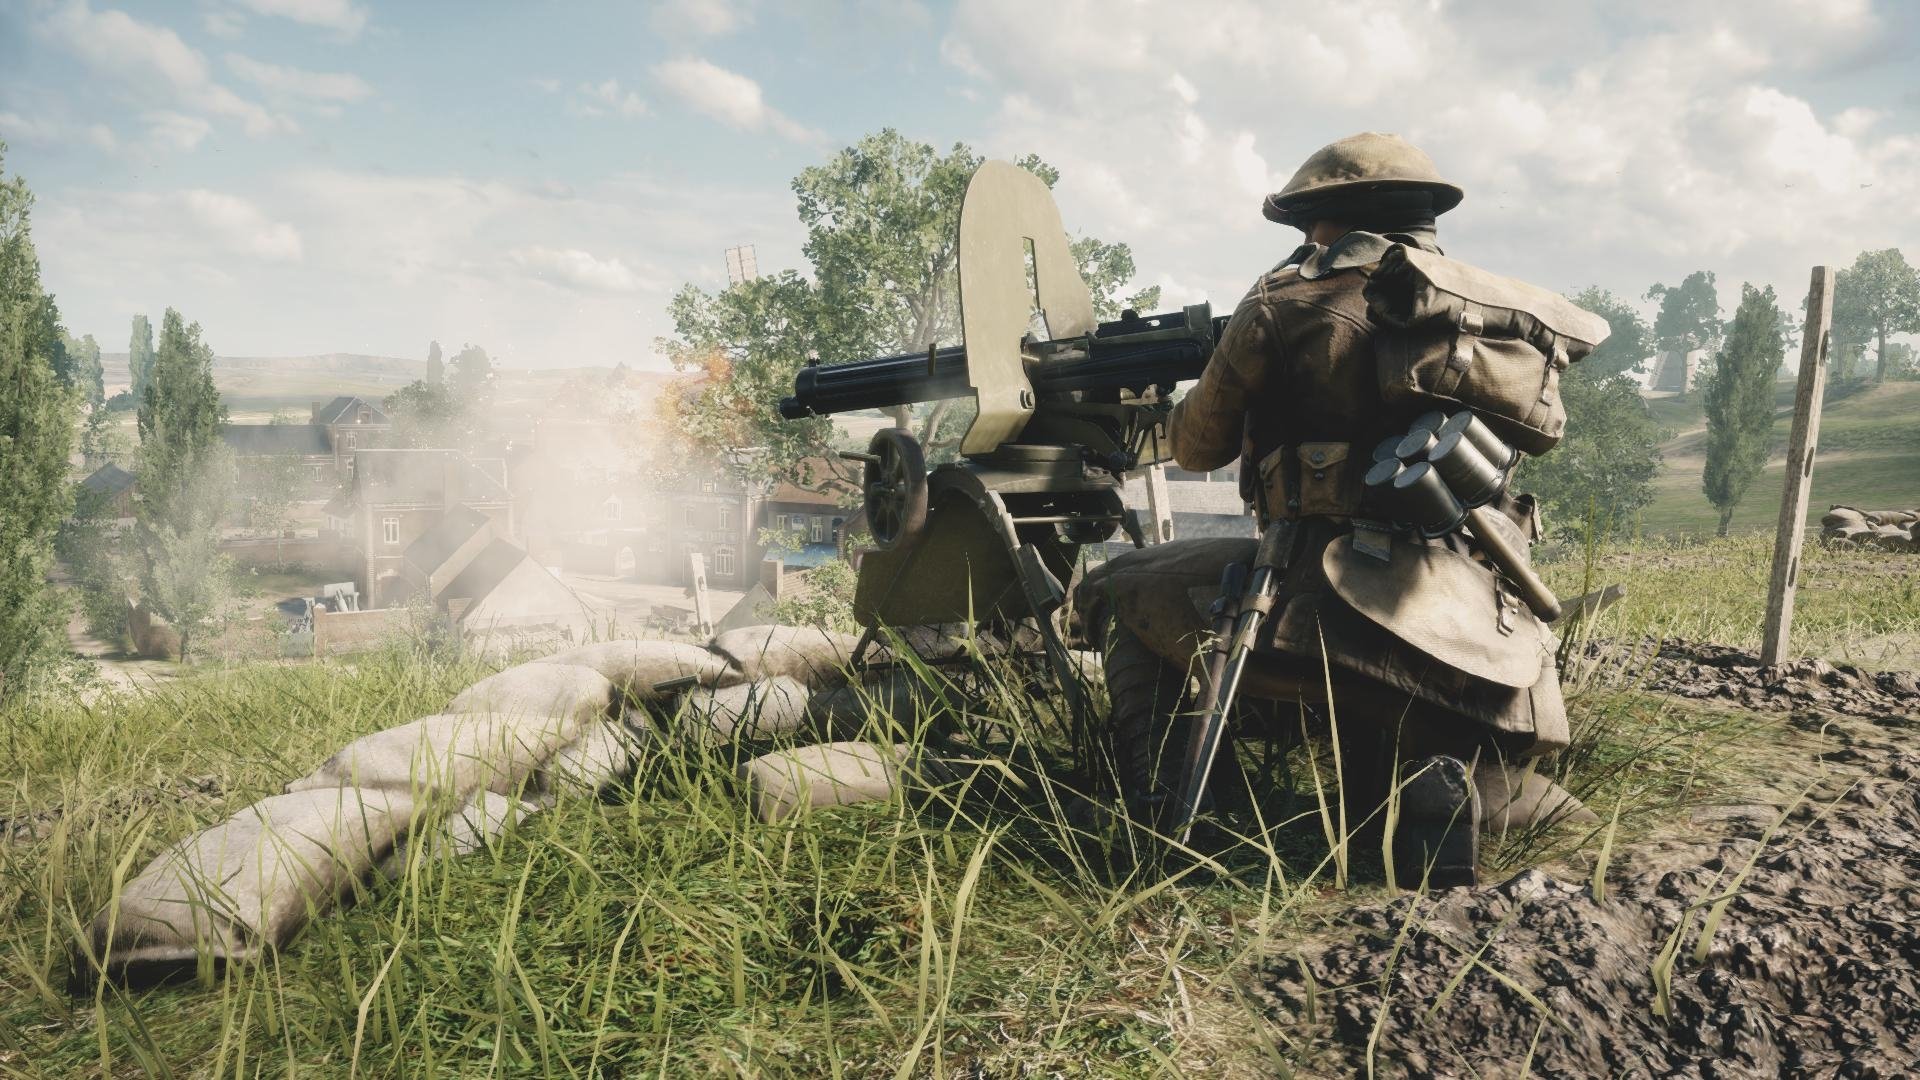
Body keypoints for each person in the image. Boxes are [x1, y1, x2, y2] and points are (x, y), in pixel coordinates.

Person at [1072, 132, 1592, 888]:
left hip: (1327, 603)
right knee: (1402, 746)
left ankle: (1173, 811)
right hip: (1483, 623)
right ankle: (1439, 787)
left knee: (1120, 586)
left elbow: (1194, 448)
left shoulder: (1283, 302)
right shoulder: (1485, 313)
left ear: (1324, 221)